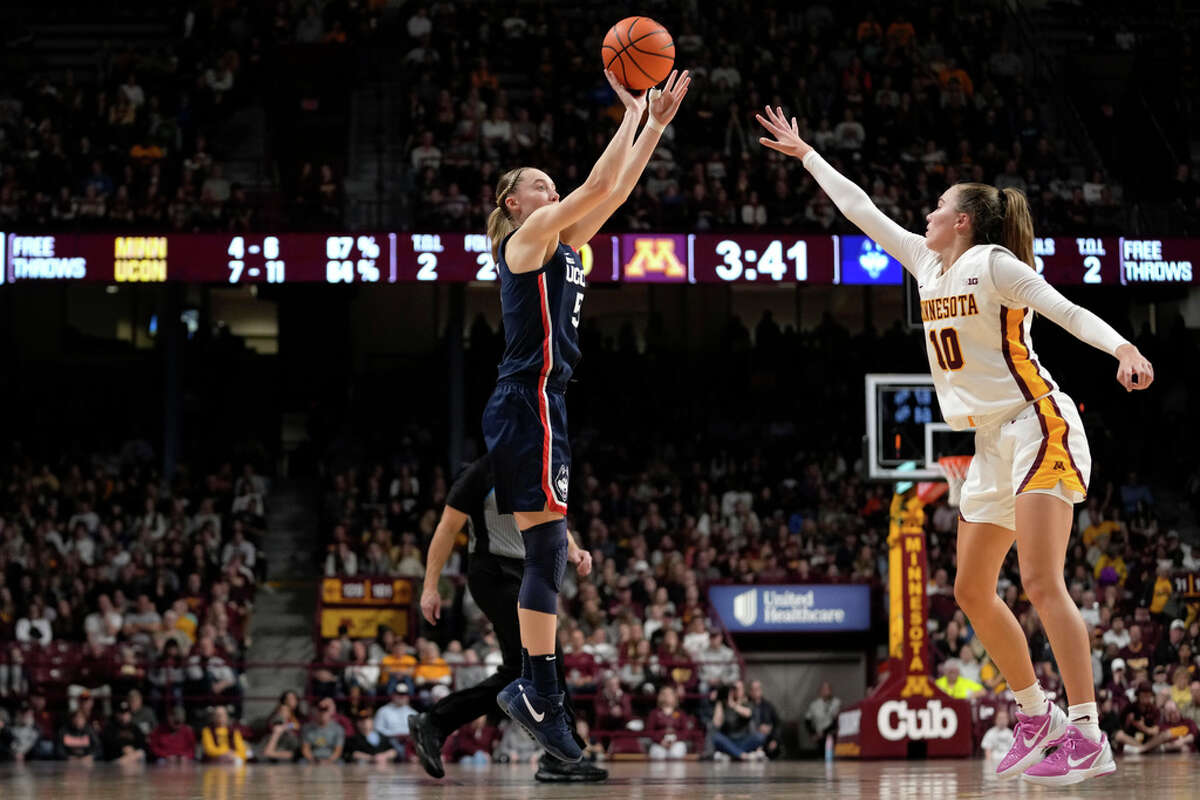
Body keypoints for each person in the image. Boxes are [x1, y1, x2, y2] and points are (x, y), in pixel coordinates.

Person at [757, 105, 1153, 786]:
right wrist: (808, 156)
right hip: (992, 443)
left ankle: (1089, 730)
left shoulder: (994, 263)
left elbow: (1063, 309)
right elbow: (862, 212)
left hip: (1039, 423)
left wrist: (1122, 347)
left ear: (964, 220)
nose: (928, 213)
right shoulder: (926, 262)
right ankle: (1037, 715)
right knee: (971, 588)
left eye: (939, 206)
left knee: (1038, 580)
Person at [480, 68, 689, 765]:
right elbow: (595, 187)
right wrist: (630, 113)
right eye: (539, 183)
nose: (551, 190)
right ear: (514, 202)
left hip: (546, 401)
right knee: (543, 555)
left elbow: (617, 191)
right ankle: (538, 691)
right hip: (528, 397)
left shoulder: (562, 243)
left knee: (546, 553)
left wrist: (654, 126)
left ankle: (537, 692)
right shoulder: (528, 238)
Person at [410, 455, 605, 784]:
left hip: (528, 572)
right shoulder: (479, 473)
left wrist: (573, 550)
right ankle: (560, 757)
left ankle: (435, 722)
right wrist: (430, 587)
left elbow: (554, 518)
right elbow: (445, 529)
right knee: (546, 660)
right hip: (494, 573)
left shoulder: (539, 468)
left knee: (522, 669)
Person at [373, 685, 416, 756]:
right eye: (399, 694)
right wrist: (393, 735)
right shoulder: (383, 711)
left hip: (409, 741)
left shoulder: (413, 712)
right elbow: (378, 728)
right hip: (390, 741)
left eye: (405, 694)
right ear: (393, 695)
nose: (402, 697)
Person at [301, 698, 345, 764]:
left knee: (341, 764)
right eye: (320, 710)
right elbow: (305, 749)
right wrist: (313, 760)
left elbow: (338, 750)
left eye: (325, 710)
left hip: (331, 759)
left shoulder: (338, 728)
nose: (322, 713)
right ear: (315, 711)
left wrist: (329, 761)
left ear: (330, 712)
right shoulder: (307, 728)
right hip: (313, 758)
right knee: (301, 763)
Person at [805, 681, 841, 748]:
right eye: (824, 689)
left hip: (831, 734)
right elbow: (807, 720)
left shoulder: (836, 702)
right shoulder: (814, 704)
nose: (826, 691)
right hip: (818, 736)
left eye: (828, 689)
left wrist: (823, 733)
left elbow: (836, 721)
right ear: (820, 691)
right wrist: (812, 733)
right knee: (820, 754)